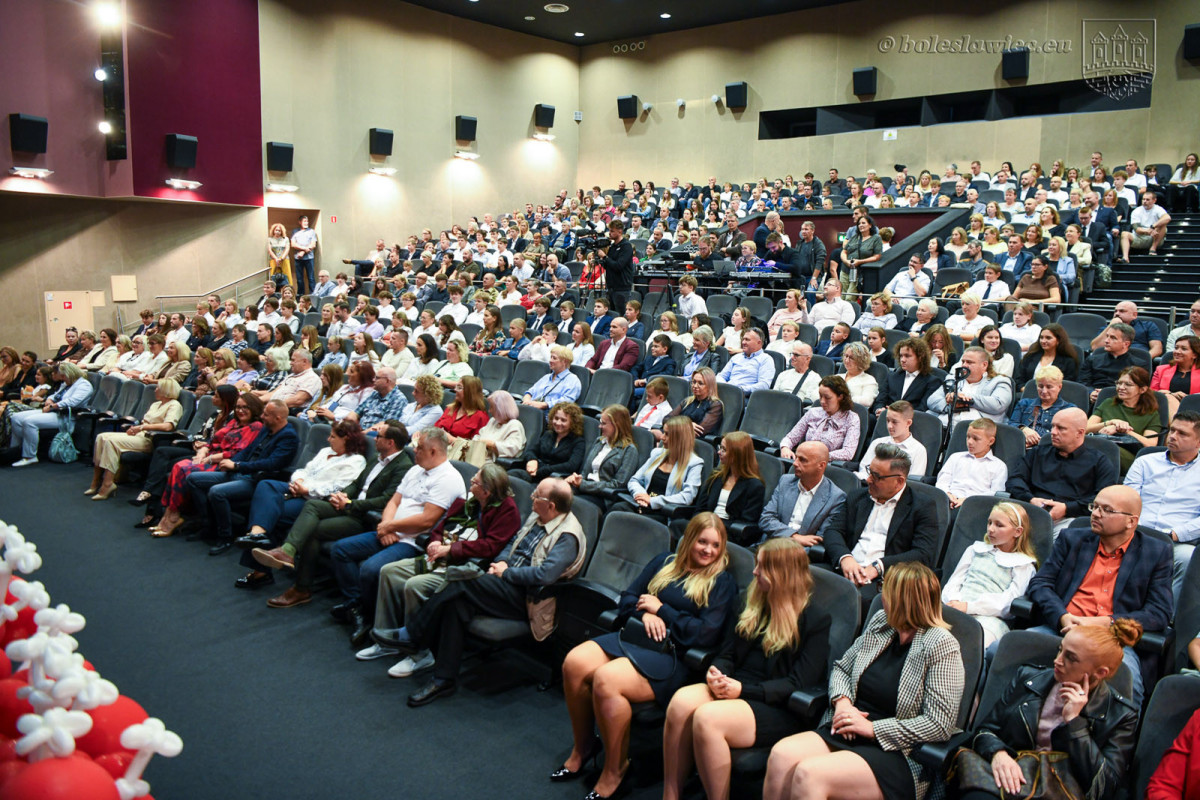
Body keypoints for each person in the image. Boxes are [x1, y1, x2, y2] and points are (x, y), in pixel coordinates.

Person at [556, 513, 736, 799]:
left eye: (715, 545)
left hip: (672, 654)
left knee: (606, 679)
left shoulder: (721, 582)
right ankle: (584, 747)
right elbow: (628, 596)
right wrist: (644, 612)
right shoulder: (664, 562)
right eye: (702, 542)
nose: (708, 550)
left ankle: (615, 769)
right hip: (636, 636)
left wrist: (662, 610)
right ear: (689, 539)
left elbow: (705, 635)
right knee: (574, 663)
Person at [763, 562, 964, 800]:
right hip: (849, 727)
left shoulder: (941, 645)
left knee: (810, 774)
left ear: (903, 599)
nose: (881, 595)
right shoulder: (882, 623)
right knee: (781, 755)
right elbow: (842, 669)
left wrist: (873, 729)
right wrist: (843, 703)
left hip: (898, 751)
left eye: (885, 590)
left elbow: (939, 723)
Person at [386, 476, 585, 708]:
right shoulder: (538, 515)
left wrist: (505, 573)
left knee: (461, 583)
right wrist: (499, 564)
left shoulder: (568, 536)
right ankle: (443, 679)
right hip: (505, 584)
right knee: (457, 604)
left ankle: (414, 633)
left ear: (551, 506)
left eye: (536, 495)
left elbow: (545, 576)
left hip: (530, 599)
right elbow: (513, 543)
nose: (531, 497)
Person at [662, 538, 832, 800]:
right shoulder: (750, 600)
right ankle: (670, 794)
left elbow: (798, 683)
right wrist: (717, 671)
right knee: (681, 702)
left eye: (761, 567)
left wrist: (744, 690)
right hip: (735, 685)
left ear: (781, 574)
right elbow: (727, 653)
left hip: (775, 704)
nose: (754, 572)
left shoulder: (815, 620)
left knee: (708, 719)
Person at [356, 462, 523, 675]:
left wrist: (451, 549)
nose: (470, 483)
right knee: (388, 572)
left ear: (487, 491)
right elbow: (443, 525)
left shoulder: (507, 511)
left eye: (475, 482)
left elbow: (490, 547)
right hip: (440, 555)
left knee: (414, 585)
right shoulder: (471, 500)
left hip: (466, 565)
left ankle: (418, 653)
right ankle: (386, 641)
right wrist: (434, 542)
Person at [958, 619, 1141, 800]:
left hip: (1060, 791)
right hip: (1011, 777)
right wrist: (998, 753)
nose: (1057, 661)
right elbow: (985, 730)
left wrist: (1075, 724)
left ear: (1100, 672)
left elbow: (1104, 788)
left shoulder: (1122, 715)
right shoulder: (1029, 678)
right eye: (1060, 650)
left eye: (1070, 658)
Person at [1026, 484, 1173, 707]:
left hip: (1112, 639)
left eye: (1107, 510)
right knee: (999, 651)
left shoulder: (1156, 552)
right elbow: (1040, 583)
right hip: (1063, 628)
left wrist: (1105, 622)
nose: (1095, 514)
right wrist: (1063, 616)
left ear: (1131, 521)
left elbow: (1158, 612)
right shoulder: (1072, 539)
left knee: (1129, 684)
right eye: (1094, 507)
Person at [327, 426, 466, 646]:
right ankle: (359, 607)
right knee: (340, 550)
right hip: (390, 530)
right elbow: (394, 501)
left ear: (433, 451)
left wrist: (390, 526)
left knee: (371, 569)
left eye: (419, 448)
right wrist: (385, 526)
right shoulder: (415, 469)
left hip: (413, 541)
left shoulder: (448, 478)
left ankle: (367, 616)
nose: (414, 451)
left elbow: (427, 520)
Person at [249, 423, 412, 601]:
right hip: (348, 506)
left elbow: (386, 499)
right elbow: (356, 484)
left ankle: (301, 588)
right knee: (312, 506)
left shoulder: (403, 466)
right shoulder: (376, 458)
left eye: (379, 437)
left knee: (313, 530)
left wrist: (350, 504)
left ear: (390, 443)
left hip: (363, 516)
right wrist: (343, 495)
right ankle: (287, 552)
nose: (374, 438)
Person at [825, 444, 940, 607]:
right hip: (845, 567)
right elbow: (833, 531)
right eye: (869, 471)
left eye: (876, 476)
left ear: (899, 482)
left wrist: (879, 567)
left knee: (856, 602)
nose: (868, 479)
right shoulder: (858, 496)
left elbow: (923, 554)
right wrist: (845, 558)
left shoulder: (922, 506)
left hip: (885, 579)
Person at [145, 391, 263, 537]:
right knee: (178, 466)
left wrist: (209, 459)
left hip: (224, 464)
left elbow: (237, 453)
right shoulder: (234, 422)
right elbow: (213, 442)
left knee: (182, 469)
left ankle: (173, 516)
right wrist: (202, 451)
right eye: (238, 407)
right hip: (210, 456)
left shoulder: (256, 426)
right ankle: (169, 514)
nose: (240, 410)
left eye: (245, 407)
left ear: (254, 408)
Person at [236, 420, 368, 548]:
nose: (328, 439)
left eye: (333, 437)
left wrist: (306, 490)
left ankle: (257, 538)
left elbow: (338, 487)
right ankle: (258, 535)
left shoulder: (356, 461)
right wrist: (298, 481)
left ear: (346, 439)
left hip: (313, 499)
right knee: (266, 485)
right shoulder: (326, 451)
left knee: (269, 510)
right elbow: (305, 470)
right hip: (297, 489)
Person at [1123, 410, 1200, 603]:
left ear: (1198, 442)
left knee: (1189, 558)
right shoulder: (1145, 462)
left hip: (1176, 541)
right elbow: (1127, 499)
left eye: (1182, 433)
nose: (1173, 436)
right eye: (1172, 430)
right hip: (1135, 533)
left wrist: (1174, 534)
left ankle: (1165, 619)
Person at [941, 501, 1038, 647]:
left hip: (991, 617)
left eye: (999, 525)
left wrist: (970, 607)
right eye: (990, 523)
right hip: (957, 606)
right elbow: (954, 582)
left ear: (1017, 532)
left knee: (972, 644)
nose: (991, 529)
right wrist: (955, 602)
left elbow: (1009, 603)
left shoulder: (1023, 564)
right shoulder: (975, 549)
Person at [85, 379, 183, 501]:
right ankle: (96, 481)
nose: (155, 390)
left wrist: (142, 427)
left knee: (111, 442)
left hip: (151, 439)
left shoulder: (174, 405)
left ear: (166, 390)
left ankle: (107, 484)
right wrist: (135, 429)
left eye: (158, 388)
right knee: (101, 437)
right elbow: (144, 422)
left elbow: (168, 426)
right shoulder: (155, 404)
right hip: (139, 434)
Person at [674, 431, 765, 544]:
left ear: (737, 454)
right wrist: (703, 523)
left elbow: (746, 522)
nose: (719, 452)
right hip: (706, 523)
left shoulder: (755, 486)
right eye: (720, 448)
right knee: (677, 526)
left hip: (728, 533)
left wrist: (713, 525)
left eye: (724, 449)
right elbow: (700, 509)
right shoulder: (716, 476)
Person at [617, 416, 705, 520]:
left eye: (667, 434)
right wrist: (640, 495)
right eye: (663, 432)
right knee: (616, 509)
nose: (662, 438)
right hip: (641, 505)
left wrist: (652, 501)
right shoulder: (657, 453)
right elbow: (635, 480)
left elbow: (687, 497)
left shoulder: (694, 463)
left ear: (679, 438)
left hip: (662, 512)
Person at [760, 441, 847, 547]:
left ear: (821, 465)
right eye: (796, 457)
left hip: (800, 556)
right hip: (770, 545)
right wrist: (795, 537)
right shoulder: (785, 481)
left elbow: (820, 540)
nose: (795, 463)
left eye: (802, 460)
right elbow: (766, 519)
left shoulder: (836, 497)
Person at [10, 363, 94, 467]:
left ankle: (29, 456)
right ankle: (16, 450)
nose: (62, 378)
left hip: (65, 416)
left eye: (63, 376)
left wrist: (52, 406)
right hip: (54, 411)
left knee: (29, 422)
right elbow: (56, 395)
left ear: (71, 374)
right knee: (16, 417)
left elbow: (72, 402)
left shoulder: (84, 385)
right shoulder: (66, 384)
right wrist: (50, 399)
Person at [566, 404, 641, 510]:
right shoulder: (600, 441)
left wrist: (583, 484)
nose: (599, 426)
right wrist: (576, 479)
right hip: (584, 488)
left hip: (603, 496)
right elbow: (586, 472)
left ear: (617, 425)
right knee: (555, 491)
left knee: (569, 503)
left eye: (603, 423)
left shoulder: (629, 450)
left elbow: (617, 485)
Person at [1087, 366, 1162, 471]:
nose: (1121, 387)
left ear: (1142, 389)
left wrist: (1124, 430)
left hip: (1125, 455)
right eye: (1119, 383)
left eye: (1128, 384)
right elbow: (1085, 428)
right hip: (1099, 446)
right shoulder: (1108, 403)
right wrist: (1111, 423)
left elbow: (1150, 445)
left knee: (1104, 451)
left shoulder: (1150, 413)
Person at [779, 376, 860, 462]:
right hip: (804, 460)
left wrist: (817, 456)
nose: (822, 401)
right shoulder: (813, 412)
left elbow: (848, 453)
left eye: (827, 398)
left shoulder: (851, 418)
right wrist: (785, 448)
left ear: (840, 397)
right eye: (820, 396)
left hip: (827, 465)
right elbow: (791, 438)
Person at [927, 346, 1013, 426]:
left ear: (984, 365)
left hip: (978, 430)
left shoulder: (1000, 381)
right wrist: (952, 405)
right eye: (963, 361)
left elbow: (998, 404)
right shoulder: (953, 378)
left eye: (969, 362)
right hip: (944, 426)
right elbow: (932, 400)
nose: (964, 365)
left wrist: (966, 399)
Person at [514, 401, 586, 482]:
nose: (558, 423)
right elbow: (531, 451)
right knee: (508, 476)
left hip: (555, 479)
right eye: (556, 418)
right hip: (535, 473)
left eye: (563, 420)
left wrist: (544, 470)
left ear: (572, 423)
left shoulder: (578, 442)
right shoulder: (548, 434)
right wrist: (532, 460)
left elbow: (571, 466)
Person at [1009, 365, 1075, 447]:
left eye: (1049, 387)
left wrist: (1037, 441)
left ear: (1059, 387)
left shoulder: (1069, 410)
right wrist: (1024, 429)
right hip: (1021, 447)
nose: (1044, 391)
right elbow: (1011, 424)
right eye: (1040, 386)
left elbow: (1066, 436)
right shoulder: (1024, 403)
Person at [856, 401, 927, 479]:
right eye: (887, 420)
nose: (889, 426)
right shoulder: (877, 443)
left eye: (894, 422)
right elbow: (864, 470)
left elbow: (913, 482)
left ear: (908, 423)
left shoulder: (918, 450)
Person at [872, 338, 938, 415]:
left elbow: (922, 409)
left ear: (920, 357)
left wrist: (896, 413)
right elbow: (880, 400)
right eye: (901, 356)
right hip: (886, 418)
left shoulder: (932, 381)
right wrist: (879, 410)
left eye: (907, 356)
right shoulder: (892, 376)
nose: (902, 360)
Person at [1088, 300, 1164, 360]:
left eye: (1122, 311)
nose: (1117, 314)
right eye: (1115, 311)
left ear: (1134, 315)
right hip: (1112, 361)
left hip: (1138, 362)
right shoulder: (1106, 328)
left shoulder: (1148, 326)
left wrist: (1144, 359)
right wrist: (1111, 326)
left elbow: (1157, 348)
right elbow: (1095, 348)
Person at [521, 346, 582, 413]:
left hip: (549, 415)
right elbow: (530, 392)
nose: (550, 360)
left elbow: (567, 402)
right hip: (530, 409)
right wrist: (527, 401)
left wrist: (544, 405)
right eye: (551, 357)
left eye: (554, 358)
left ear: (564, 361)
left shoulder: (573, 380)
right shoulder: (546, 377)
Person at [718, 328, 775, 397]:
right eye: (743, 339)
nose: (743, 342)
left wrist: (738, 390)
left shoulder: (766, 359)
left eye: (747, 340)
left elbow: (764, 385)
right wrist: (725, 386)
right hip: (726, 393)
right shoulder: (736, 357)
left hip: (745, 398)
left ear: (759, 342)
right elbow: (721, 376)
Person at [1152, 335, 1200, 418]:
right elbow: (1152, 392)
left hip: (1195, 410)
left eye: (1183, 349)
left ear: (1195, 354)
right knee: (1169, 397)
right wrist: (1170, 394)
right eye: (1176, 348)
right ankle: (1179, 425)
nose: (1177, 351)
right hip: (1165, 409)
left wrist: (1188, 398)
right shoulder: (1161, 370)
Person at [1118, 190, 1170, 260]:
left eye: (1147, 199)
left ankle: (1153, 249)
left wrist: (1153, 226)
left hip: (1155, 237)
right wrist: (1147, 231)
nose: (1145, 201)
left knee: (1163, 225)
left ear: (1154, 200)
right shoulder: (1136, 211)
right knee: (1124, 234)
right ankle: (1125, 257)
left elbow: (1167, 218)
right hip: (1140, 238)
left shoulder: (1158, 209)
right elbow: (1136, 229)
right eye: (1143, 199)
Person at [840, 343, 879, 409]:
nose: (847, 360)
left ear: (861, 360)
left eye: (851, 358)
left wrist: (840, 398)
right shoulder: (838, 377)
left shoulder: (869, 380)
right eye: (846, 356)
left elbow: (867, 401)